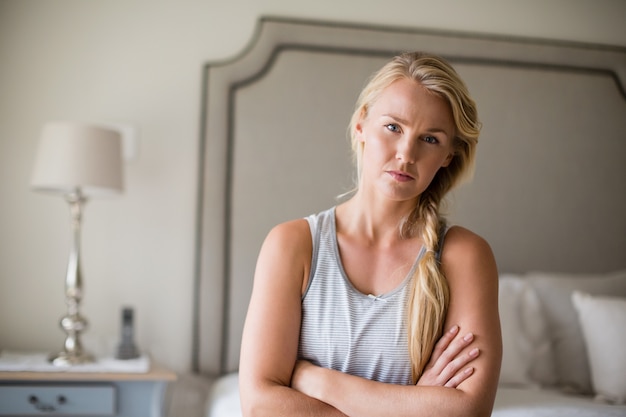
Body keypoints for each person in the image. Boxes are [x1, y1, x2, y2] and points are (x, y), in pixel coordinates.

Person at [239, 52, 502, 417]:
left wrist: (320, 381)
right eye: (393, 127)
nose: (406, 153)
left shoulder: (464, 257)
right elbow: (259, 405)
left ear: (447, 156)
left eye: (430, 139)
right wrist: (410, 407)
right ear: (361, 125)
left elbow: (468, 411)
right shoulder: (294, 245)